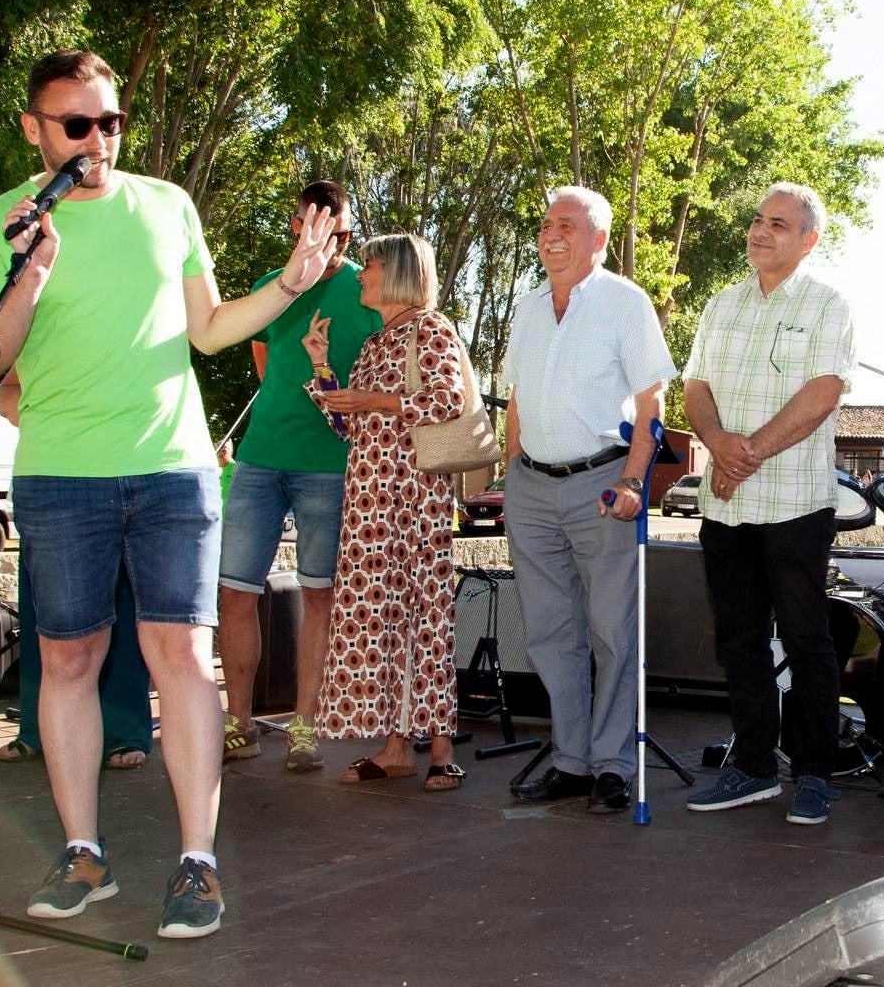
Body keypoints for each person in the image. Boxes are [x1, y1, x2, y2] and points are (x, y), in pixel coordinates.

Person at [0, 49, 335, 939]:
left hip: (173, 468)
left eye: (112, 122)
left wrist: (289, 285)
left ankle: (198, 862)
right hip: (60, 471)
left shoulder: (168, 205)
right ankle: (83, 852)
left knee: (180, 653)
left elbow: (207, 331)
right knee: (71, 660)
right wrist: (33, 273)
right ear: (34, 129)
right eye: (78, 125)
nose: (100, 141)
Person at [680, 183, 855, 825]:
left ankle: (813, 774)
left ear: (808, 240)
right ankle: (753, 767)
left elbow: (824, 391)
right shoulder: (721, 305)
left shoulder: (827, 305)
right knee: (739, 642)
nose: (760, 231)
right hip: (723, 508)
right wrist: (717, 443)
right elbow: (694, 385)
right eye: (757, 220)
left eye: (778, 224)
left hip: (795, 506)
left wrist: (743, 452)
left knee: (808, 640)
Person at [505, 186, 676, 813]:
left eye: (567, 226)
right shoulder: (526, 308)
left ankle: (611, 764)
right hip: (531, 486)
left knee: (610, 632)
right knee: (551, 635)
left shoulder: (625, 305)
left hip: (601, 485)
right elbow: (517, 397)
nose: (552, 235)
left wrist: (634, 482)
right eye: (547, 224)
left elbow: (653, 404)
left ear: (598, 239)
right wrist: (510, 473)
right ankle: (571, 760)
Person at [217, 182, 381, 772]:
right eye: (314, 227)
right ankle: (239, 723)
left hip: (329, 467)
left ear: (347, 230)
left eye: (338, 232)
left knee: (320, 594)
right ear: (296, 225)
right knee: (234, 592)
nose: (328, 243)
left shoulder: (368, 288)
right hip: (260, 460)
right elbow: (266, 365)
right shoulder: (270, 288)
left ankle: (305, 727)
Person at [303, 233, 468, 792]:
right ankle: (396, 747)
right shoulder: (376, 343)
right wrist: (324, 369)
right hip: (371, 502)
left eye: (368, 265)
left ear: (396, 271)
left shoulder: (431, 328)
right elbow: (347, 424)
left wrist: (371, 400)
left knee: (425, 611)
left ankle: (440, 746)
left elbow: (448, 402)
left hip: (416, 495)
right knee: (383, 617)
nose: (360, 274)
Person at [0, 379, 152, 772]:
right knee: (48, 626)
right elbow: (5, 396)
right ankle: (37, 731)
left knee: (125, 618)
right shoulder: (35, 323)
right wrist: (51, 404)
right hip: (53, 480)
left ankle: (124, 734)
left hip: (128, 476)